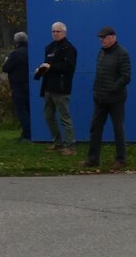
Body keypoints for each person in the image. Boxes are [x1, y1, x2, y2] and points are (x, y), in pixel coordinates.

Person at [85, 26, 131, 170]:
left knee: (118, 129)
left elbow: (125, 76)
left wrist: (112, 89)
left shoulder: (122, 53)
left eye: (103, 37)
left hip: (115, 99)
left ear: (112, 37)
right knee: (95, 128)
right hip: (100, 98)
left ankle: (121, 159)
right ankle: (93, 159)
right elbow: (100, 74)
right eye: (100, 38)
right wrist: (97, 91)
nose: (101, 40)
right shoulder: (101, 53)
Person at [36, 21, 77, 155]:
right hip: (48, 87)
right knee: (48, 116)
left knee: (64, 117)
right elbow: (47, 66)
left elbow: (69, 68)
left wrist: (50, 67)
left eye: (58, 31)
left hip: (61, 87)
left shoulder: (69, 48)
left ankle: (70, 146)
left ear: (64, 32)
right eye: (53, 31)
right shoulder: (49, 47)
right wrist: (40, 70)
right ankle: (58, 142)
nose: (55, 33)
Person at [2, 32, 31, 142]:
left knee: (21, 111)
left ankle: (27, 134)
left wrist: (6, 61)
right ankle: (29, 132)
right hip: (29, 85)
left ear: (16, 42)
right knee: (28, 110)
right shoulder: (30, 52)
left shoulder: (15, 54)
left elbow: (5, 68)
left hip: (18, 85)